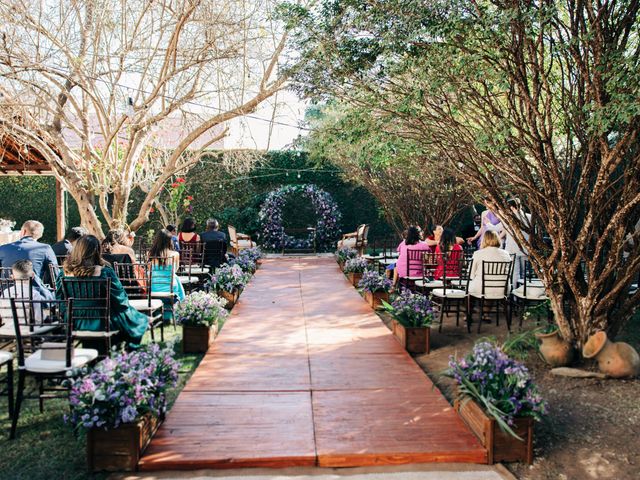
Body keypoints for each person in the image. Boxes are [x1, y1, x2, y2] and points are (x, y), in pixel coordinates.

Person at [57, 235, 148, 347]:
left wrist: (67, 315)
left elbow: (59, 300)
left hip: (74, 322)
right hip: (102, 321)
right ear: (97, 251)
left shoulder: (64, 273)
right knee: (138, 319)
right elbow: (120, 300)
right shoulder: (105, 272)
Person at [0, 220, 58, 285]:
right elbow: (54, 273)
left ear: (24, 231)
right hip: (35, 292)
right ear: (40, 235)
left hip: (6, 293)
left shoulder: (3, 248)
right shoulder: (45, 248)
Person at [0, 259, 55, 326]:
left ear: (12, 277)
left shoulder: (5, 292)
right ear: (32, 276)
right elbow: (39, 318)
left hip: (7, 328)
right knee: (55, 320)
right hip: (29, 330)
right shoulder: (34, 293)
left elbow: (1, 313)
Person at [148, 230, 185, 319]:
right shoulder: (175, 254)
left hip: (153, 288)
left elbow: (149, 270)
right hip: (170, 288)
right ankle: (181, 308)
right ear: (169, 240)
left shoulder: (150, 254)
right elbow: (175, 270)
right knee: (175, 278)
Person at [467, 230, 512, 297]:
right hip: (503, 289)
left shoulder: (477, 253)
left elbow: (471, 274)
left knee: (470, 287)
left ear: (483, 240)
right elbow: (509, 273)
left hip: (482, 289)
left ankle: (477, 306)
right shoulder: (506, 254)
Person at [500, 198, 532, 283]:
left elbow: (498, 228)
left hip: (512, 249)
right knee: (524, 273)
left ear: (512, 207)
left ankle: (514, 293)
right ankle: (522, 292)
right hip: (525, 249)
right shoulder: (529, 217)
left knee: (514, 273)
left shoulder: (509, 218)